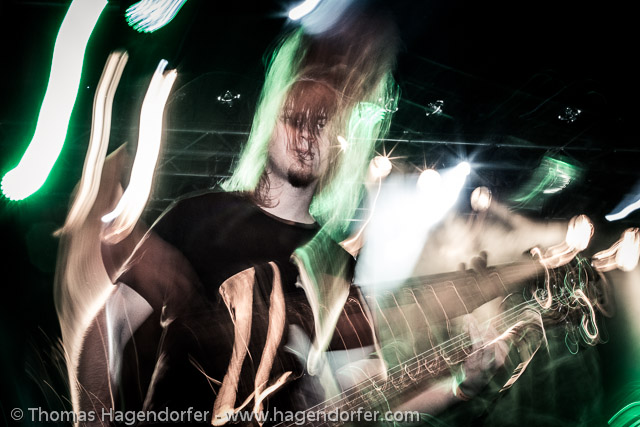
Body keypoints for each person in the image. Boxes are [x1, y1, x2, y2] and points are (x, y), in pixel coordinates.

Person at [73, 6, 508, 426]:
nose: (306, 136)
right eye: (295, 117)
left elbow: (366, 398)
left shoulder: (334, 264)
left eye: (321, 123)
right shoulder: (197, 216)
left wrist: (461, 386)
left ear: (339, 141)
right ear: (270, 122)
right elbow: (104, 330)